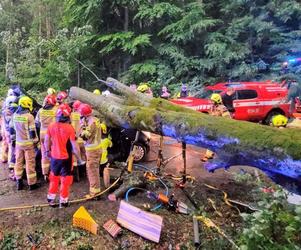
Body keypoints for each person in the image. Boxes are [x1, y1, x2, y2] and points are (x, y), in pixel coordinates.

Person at [45, 103, 82, 207]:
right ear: (67, 116)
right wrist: (79, 159)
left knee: (54, 178)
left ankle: (51, 199)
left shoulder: (51, 126)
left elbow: (47, 140)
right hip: (66, 159)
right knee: (65, 180)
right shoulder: (70, 128)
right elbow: (74, 146)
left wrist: (47, 151)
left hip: (54, 158)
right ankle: (63, 201)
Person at [12, 96, 39, 190]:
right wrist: (36, 141)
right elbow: (32, 131)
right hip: (28, 144)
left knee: (18, 162)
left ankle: (19, 181)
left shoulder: (15, 115)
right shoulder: (29, 116)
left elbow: (13, 129)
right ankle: (32, 184)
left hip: (19, 143)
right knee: (30, 163)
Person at [79, 104, 102, 198]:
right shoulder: (94, 120)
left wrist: (81, 127)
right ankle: (96, 191)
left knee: (92, 171)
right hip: (95, 149)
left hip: (93, 150)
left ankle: (95, 194)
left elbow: (85, 136)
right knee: (94, 170)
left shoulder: (91, 122)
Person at [201, 94, 231, 162]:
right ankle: (208, 155)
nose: (211, 102)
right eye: (211, 101)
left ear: (217, 101)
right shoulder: (212, 107)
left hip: (221, 128)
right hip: (214, 128)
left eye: (213, 101)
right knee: (211, 141)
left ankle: (226, 157)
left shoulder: (222, 108)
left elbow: (227, 119)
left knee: (221, 143)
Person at [35, 94, 57, 181]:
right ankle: (53, 172)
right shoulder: (55, 110)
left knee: (44, 154)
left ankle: (45, 174)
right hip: (52, 135)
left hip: (42, 135)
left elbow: (37, 123)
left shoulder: (40, 111)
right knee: (54, 153)